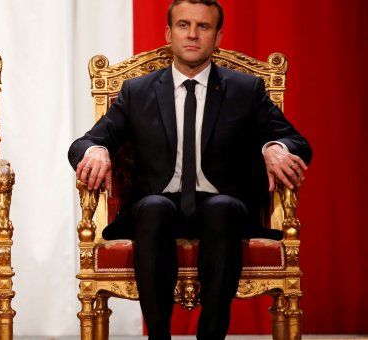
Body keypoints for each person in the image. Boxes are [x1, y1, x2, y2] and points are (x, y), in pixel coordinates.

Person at [67, 0, 312, 339]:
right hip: (158, 208)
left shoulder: (245, 90)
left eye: (204, 27)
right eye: (183, 25)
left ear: (218, 36)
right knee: (154, 207)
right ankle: (159, 335)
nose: (193, 34)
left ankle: (211, 336)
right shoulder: (137, 92)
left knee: (222, 208)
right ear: (169, 33)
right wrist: (96, 151)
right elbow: (86, 141)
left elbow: (296, 141)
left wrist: (275, 147)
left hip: (223, 210)